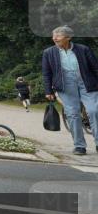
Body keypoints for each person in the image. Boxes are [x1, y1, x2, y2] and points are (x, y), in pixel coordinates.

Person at [42, 26, 98, 155]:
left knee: (94, 111)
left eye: (58, 35)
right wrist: (48, 91)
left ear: (68, 37)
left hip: (87, 83)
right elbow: (46, 73)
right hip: (65, 85)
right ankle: (79, 146)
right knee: (72, 114)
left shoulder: (83, 49)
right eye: (53, 35)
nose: (54, 38)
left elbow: (95, 68)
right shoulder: (48, 52)